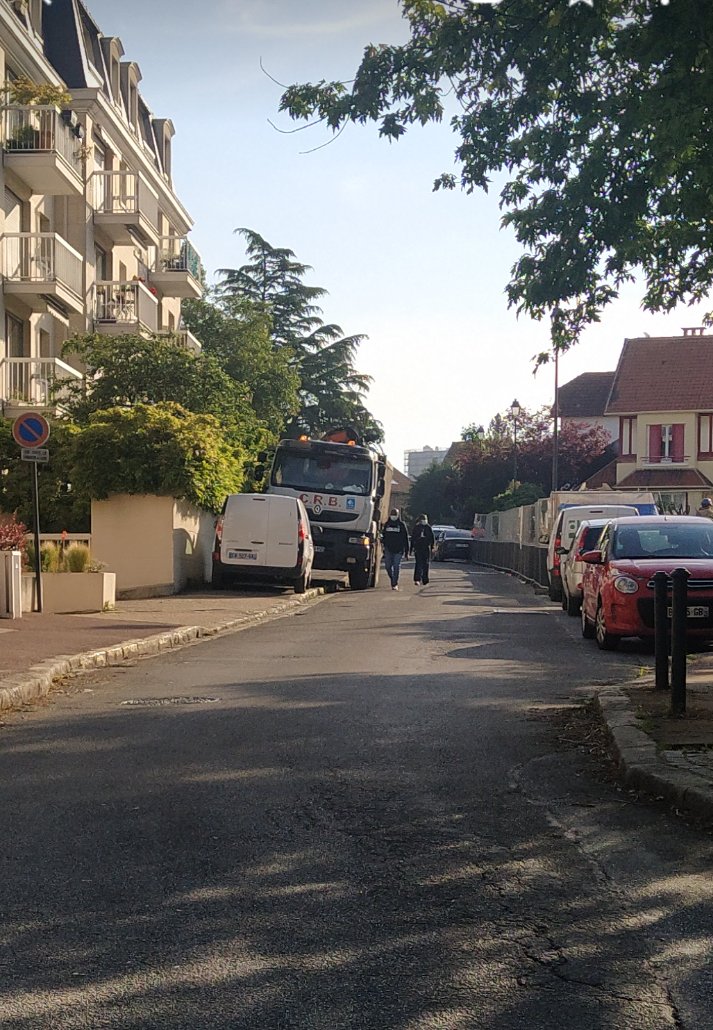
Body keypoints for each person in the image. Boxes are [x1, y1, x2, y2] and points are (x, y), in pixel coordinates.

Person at [381, 507, 410, 590]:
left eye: (395, 514)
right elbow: (384, 535)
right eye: (392, 514)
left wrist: (407, 552)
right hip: (388, 549)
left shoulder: (401, 525)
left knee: (396, 566)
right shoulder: (387, 524)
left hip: (399, 550)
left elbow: (405, 538)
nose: (393, 516)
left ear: (398, 515)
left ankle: (394, 583)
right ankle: (392, 578)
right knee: (387, 566)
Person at [410, 513, 435, 585]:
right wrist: (411, 549)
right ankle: (417, 579)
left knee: (426, 564)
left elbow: (432, 538)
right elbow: (413, 538)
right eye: (423, 519)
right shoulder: (417, 527)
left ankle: (425, 579)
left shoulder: (428, 527)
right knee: (418, 563)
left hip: (426, 548)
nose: (424, 521)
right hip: (418, 548)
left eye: (425, 519)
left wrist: (432, 546)